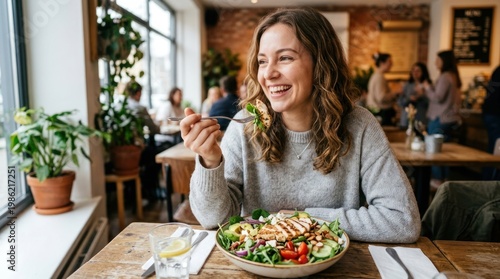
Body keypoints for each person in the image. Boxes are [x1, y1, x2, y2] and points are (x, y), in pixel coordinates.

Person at [178, 8, 420, 243]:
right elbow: (213, 220)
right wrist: (210, 161)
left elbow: (403, 220)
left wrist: (306, 219)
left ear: (321, 64)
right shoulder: (245, 126)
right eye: (262, 61)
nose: (268, 74)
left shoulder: (359, 125)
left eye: (284, 58)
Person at [422, 50, 462, 187]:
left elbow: (438, 97)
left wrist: (427, 88)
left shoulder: (445, 77)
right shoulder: (453, 76)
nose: (435, 63)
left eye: (438, 60)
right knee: (443, 151)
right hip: (448, 119)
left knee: (434, 151)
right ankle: (445, 181)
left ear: (444, 61)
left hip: (440, 118)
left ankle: (438, 179)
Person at [125, 81, 164, 201]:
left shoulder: (118, 106)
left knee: (152, 151)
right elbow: (154, 129)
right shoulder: (140, 108)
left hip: (121, 153)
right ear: (138, 93)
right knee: (158, 155)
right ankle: (150, 190)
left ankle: (139, 189)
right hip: (136, 151)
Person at [366, 52, 399, 126]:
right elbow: (381, 97)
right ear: (381, 63)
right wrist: (395, 93)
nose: (391, 64)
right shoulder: (379, 77)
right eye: (389, 62)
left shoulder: (375, 75)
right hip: (382, 113)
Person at [397, 62, 431, 129]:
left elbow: (432, 102)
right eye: (413, 70)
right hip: (407, 119)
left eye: (418, 71)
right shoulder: (407, 85)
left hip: (421, 118)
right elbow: (400, 102)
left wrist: (422, 95)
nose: (415, 73)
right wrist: (409, 98)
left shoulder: (428, 85)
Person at [481, 65, 500, 179]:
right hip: (496, 115)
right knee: (496, 153)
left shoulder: (498, 70)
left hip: (490, 113)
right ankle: (492, 185)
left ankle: (488, 183)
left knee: (492, 151)